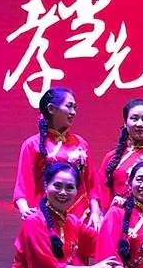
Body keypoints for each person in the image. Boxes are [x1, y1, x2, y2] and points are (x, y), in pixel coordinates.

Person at [3, 162, 117, 268]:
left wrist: (118, 214)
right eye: (57, 186)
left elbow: (103, 243)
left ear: (77, 191)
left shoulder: (72, 222)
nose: (63, 192)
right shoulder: (34, 221)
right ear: (45, 185)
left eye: (70, 187)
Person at [13, 87, 102, 228]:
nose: (73, 112)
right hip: (45, 215)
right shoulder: (32, 144)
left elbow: (92, 183)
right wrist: (24, 209)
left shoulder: (81, 143)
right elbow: (23, 182)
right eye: (69, 106)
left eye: (75, 107)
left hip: (79, 216)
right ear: (51, 109)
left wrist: (95, 212)